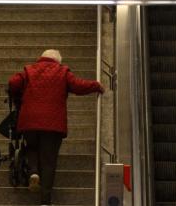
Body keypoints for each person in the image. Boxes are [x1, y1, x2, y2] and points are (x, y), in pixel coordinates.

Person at [8, 49, 104, 206]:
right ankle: (45, 201)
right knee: (48, 161)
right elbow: (79, 86)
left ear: (41, 58)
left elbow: (12, 83)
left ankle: (33, 172)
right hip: (53, 125)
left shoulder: (28, 70)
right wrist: (96, 85)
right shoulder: (63, 71)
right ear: (57, 60)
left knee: (31, 147)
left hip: (29, 121)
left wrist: (19, 95)